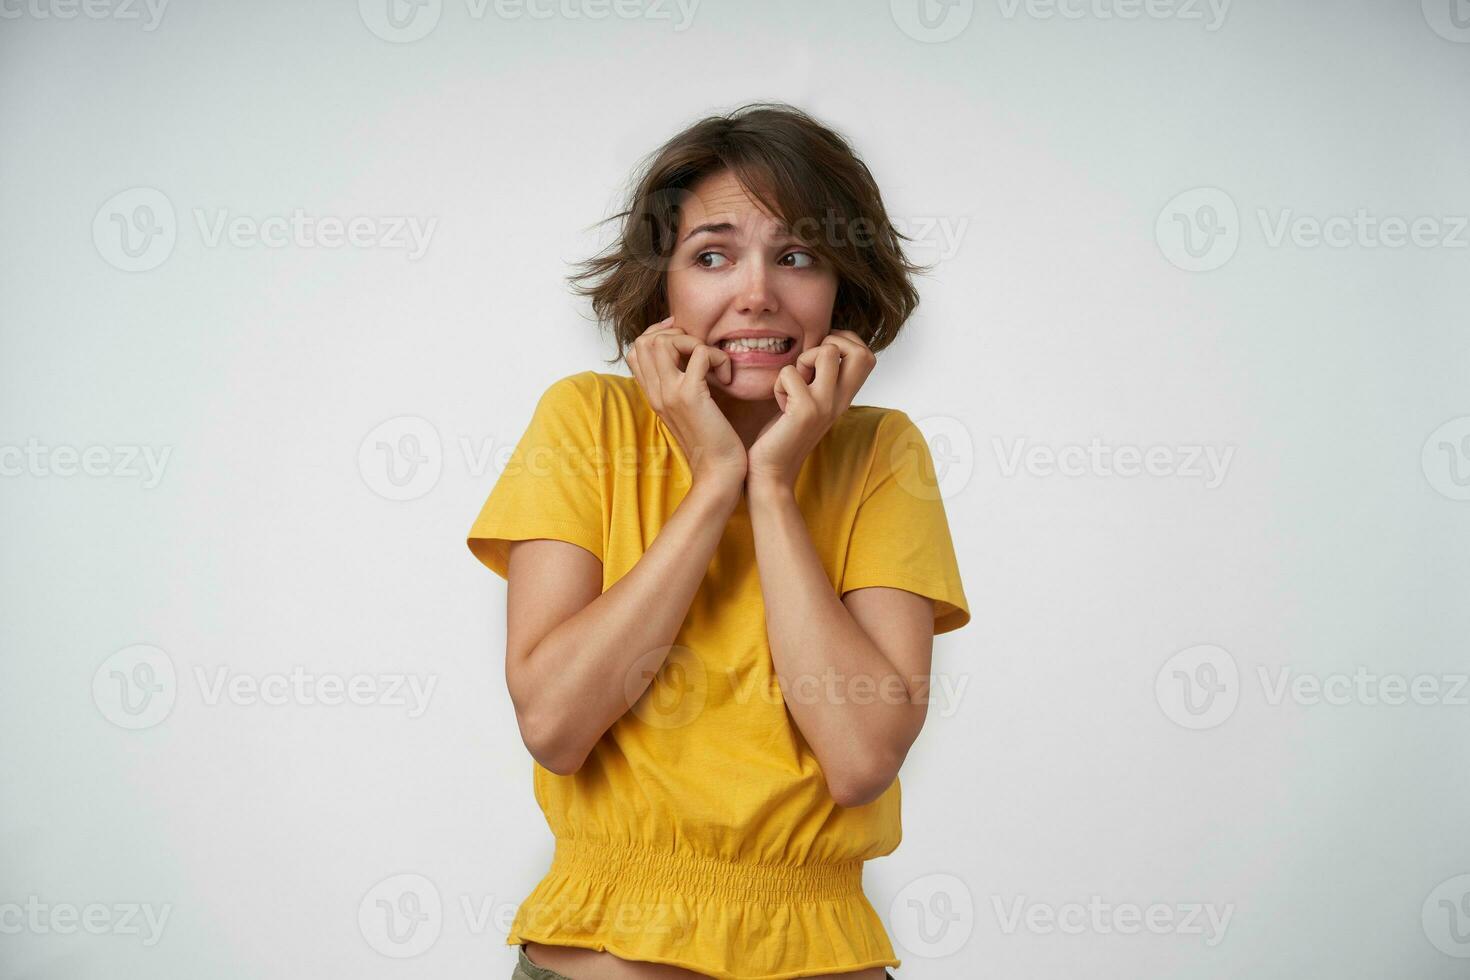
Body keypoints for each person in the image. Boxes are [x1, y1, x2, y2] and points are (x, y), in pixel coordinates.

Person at [468, 102, 970, 980]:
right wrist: (712, 485)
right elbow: (554, 724)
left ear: (840, 287)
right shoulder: (586, 423)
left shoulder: (881, 454)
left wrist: (771, 484)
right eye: (712, 255)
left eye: (798, 256)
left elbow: (859, 760)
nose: (757, 294)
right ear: (662, 285)